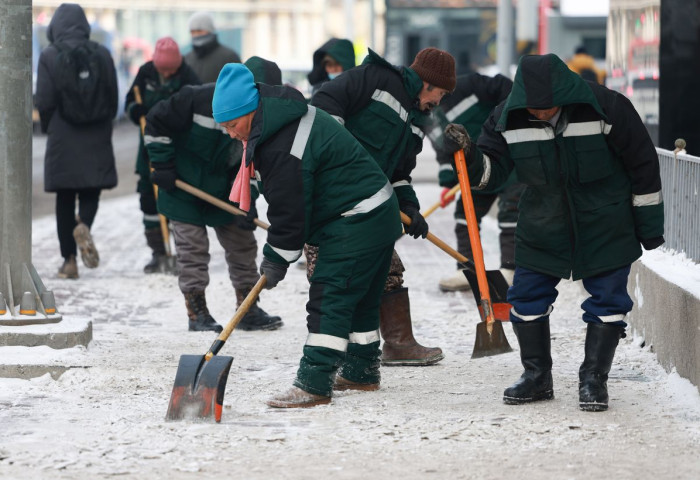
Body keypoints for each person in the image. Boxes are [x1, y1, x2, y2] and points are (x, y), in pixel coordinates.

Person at [443, 53, 665, 412]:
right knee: (525, 299)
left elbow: (643, 166)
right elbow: (490, 175)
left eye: (548, 106)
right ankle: (536, 377)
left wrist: (649, 228)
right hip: (543, 225)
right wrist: (468, 155)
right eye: (534, 107)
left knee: (608, 304)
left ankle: (594, 379)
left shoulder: (607, 107)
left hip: (605, 223)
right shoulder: (505, 117)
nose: (541, 112)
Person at [212, 63, 403, 407]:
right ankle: (361, 372)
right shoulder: (279, 122)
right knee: (358, 300)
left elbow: (290, 210)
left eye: (233, 125)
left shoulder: (283, 144)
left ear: (250, 111)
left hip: (356, 218)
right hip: (376, 212)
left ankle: (313, 383)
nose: (230, 133)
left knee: (331, 296)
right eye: (223, 127)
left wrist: (276, 260)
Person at [309, 47, 456, 366]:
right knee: (336, 278)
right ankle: (333, 353)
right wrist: (338, 155)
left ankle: (398, 344)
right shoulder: (375, 79)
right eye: (440, 93)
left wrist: (409, 207)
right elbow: (324, 103)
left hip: (369, 204)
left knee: (387, 268)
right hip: (328, 198)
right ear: (427, 83)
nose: (438, 102)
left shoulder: (418, 119)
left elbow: (400, 173)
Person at [145, 57, 284, 333]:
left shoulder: (266, 120)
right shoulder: (194, 99)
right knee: (192, 249)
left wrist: (249, 201)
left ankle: (248, 308)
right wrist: (162, 164)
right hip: (182, 186)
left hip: (226, 191)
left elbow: (256, 167)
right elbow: (155, 123)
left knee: (243, 244)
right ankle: (197, 312)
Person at [35, 3, 118, 279]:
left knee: (65, 196)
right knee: (91, 189)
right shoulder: (103, 53)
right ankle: (83, 224)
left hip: (63, 132)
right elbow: (113, 97)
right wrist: (105, 124)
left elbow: (44, 100)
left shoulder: (49, 54)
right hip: (96, 132)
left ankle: (69, 261)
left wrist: (50, 127)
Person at [423, 71, 523, 292]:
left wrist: (512, 123)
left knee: (511, 211)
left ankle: (511, 269)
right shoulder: (426, 115)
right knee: (464, 214)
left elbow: (506, 89)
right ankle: (467, 269)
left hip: (508, 160)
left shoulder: (472, 86)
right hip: (476, 170)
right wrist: (448, 185)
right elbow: (443, 153)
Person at [124, 37, 200, 274]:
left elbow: (197, 109)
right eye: (162, 69)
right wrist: (135, 111)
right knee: (149, 200)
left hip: (177, 150)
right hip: (147, 149)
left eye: (171, 69)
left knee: (177, 199)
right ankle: (158, 252)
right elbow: (129, 100)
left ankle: (181, 253)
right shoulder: (146, 73)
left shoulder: (188, 77)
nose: (166, 74)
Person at [184, 11, 241, 83]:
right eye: (192, 32)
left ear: (210, 30)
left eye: (199, 31)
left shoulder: (229, 57)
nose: (196, 35)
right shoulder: (187, 59)